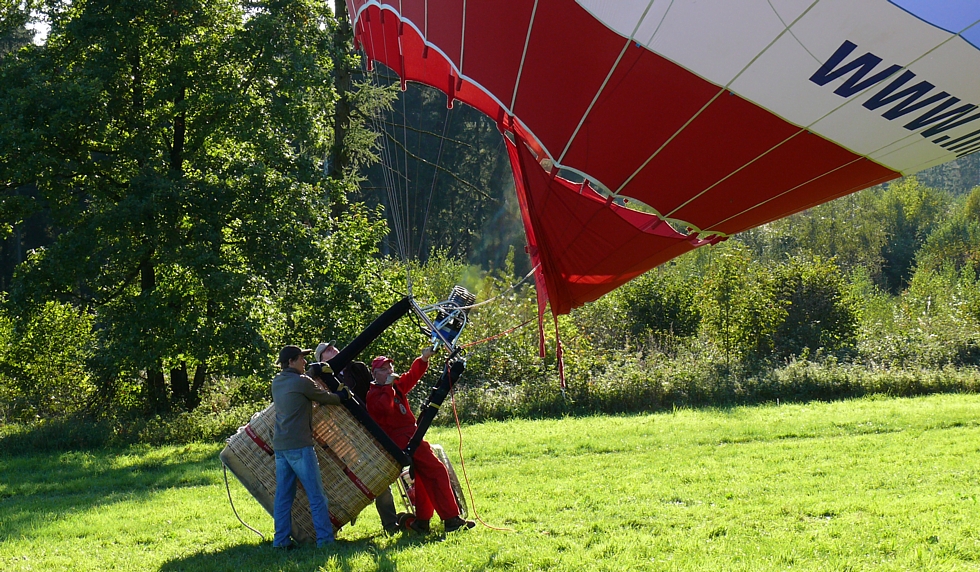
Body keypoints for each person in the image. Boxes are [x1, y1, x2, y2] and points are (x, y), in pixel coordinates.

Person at [366, 347, 475, 534]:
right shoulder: (374, 394)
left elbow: (412, 375)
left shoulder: (395, 386)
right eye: (384, 369)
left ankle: (422, 521)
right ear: (375, 374)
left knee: (424, 479)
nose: (390, 371)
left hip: (411, 436)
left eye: (390, 367)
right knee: (438, 471)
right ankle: (451, 519)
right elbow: (384, 408)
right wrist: (387, 387)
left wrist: (423, 358)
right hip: (401, 440)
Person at [312, 340, 403, 535]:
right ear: (321, 360)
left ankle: (390, 524)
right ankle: (338, 522)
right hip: (345, 434)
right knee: (350, 480)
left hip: (370, 428)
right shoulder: (321, 382)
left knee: (380, 475)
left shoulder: (357, 368)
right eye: (327, 350)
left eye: (333, 347)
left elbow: (374, 389)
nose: (333, 349)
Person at [271, 344, 343, 549]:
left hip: (281, 447)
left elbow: (302, 385)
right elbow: (326, 398)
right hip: (300, 446)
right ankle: (325, 541)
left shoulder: (277, 382)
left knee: (283, 497)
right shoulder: (301, 381)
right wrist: (342, 395)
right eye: (301, 358)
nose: (304, 361)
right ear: (291, 362)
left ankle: (281, 541)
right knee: (316, 496)